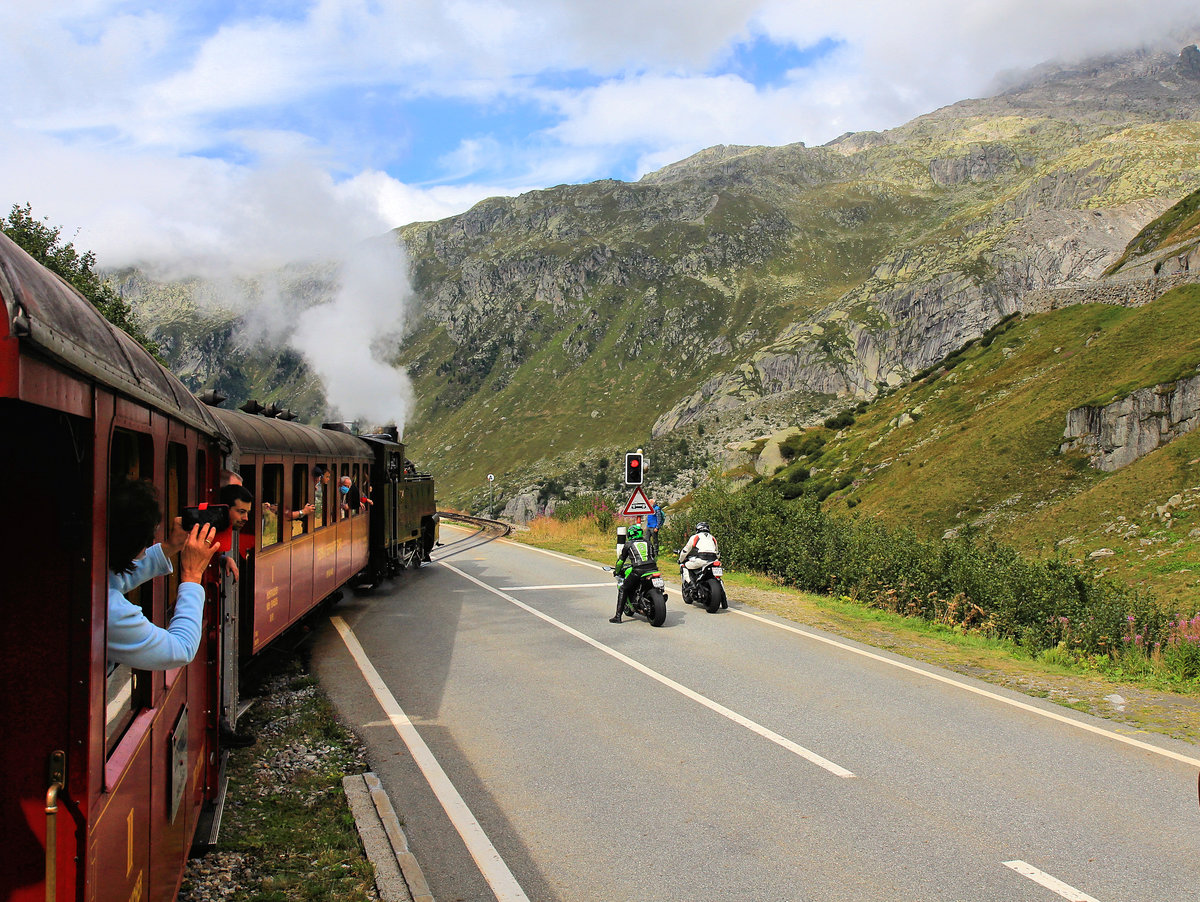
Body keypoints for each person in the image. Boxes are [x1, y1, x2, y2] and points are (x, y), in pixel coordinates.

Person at [107, 478, 219, 670]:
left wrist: (169, 548)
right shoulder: (110, 613)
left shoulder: (93, 583)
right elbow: (182, 648)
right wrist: (192, 576)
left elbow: (112, 580)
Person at [610, 524, 657, 623]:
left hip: (638, 570)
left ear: (630, 535)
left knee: (623, 588)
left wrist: (617, 571)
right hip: (654, 569)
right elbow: (654, 557)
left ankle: (618, 616)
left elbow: (620, 561)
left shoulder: (628, 544)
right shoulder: (648, 542)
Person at [679, 521, 723, 608]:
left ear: (697, 529)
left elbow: (685, 550)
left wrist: (680, 560)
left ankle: (691, 584)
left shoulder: (695, 537)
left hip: (701, 560)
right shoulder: (713, 538)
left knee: (685, 566)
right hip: (713, 561)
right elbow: (717, 553)